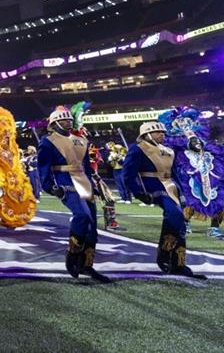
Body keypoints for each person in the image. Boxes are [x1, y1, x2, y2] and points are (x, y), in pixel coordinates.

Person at [121, 121, 205, 278]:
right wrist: (139, 193)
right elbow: (128, 175)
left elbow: (174, 173)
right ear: (147, 134)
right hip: (154, 187)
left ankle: (177, 262)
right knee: (175, 216)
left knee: (180, 223)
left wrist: (182, 193)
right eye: (158, 132)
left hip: (171, 187)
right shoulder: (138, 149)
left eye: (163, 132)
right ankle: (166, 255)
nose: (162, 134)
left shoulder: (168, 150)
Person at [38, 108, 110, 283]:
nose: (69, 122)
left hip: (84, 182)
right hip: (65, 181)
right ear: (54, 123)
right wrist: (50, 187)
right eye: (64, 120)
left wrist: (93, 185)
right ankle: (73, 253)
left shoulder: (82, 140)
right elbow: (43, 167)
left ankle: (87, 265)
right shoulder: (47, 141)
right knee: (82, 215)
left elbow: (86, 167)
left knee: (92, 227)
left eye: (70, 119)